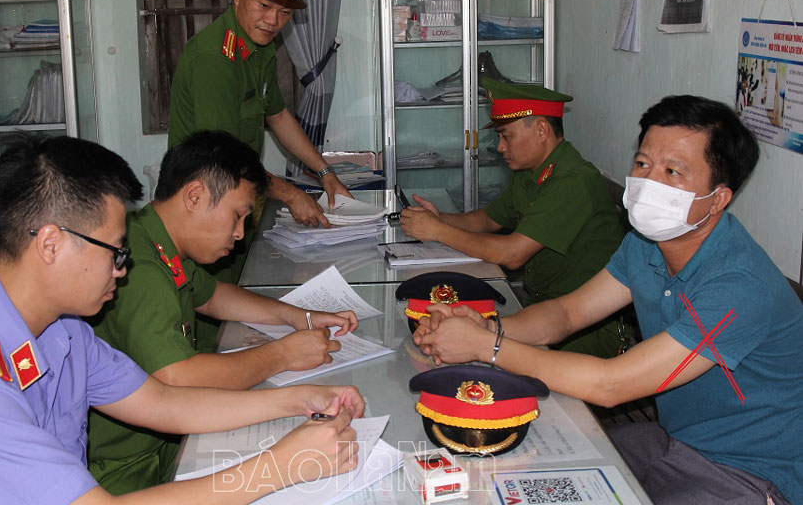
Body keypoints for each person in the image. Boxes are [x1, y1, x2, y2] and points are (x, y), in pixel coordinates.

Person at [0, 133, 364, 504]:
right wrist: (280, 467)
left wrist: (303, 400)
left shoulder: (60, 327)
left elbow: (162, 403)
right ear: (51, 244)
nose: (123, 268)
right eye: (115, 251)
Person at [415, 96, 803, 504]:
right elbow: (569, 312)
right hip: (673, 442)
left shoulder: (739, 285)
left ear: (718, 199)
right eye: (642, 164)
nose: (650, 181)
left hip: (751, 472)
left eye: (672, 172)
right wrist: (486, 327)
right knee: (518, 466)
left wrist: (484, 346)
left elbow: (612, 385)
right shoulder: (648, 244)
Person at [87, 130, 359, 494]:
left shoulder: (159, 241)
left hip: (164, 442)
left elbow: (213, 295)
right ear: (195, 196)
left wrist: (296, 315)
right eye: (237, 216)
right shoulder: (142, 267)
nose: (239, 233)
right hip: (124, 468)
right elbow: (178, 378)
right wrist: (282, 354)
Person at [401, 80, 627, 357]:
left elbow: (513, 255)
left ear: (542, 130)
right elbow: (487, 220)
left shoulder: (572, 181)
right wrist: (441, 219)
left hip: (585, 329)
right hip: (540, 310)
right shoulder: (531, 171)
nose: (499, 147)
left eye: (506, 136)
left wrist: (438, 232)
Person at [169, 0, 352, 283]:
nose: (273, 21)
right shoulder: (215, 59)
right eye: (264, 6)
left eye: (284, 12)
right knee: (214, 307)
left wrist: (325, 172)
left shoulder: (261, 47)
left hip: (238, 201)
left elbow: (278, 115)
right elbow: (223, 162)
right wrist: (293, 195)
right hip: (204, 211)